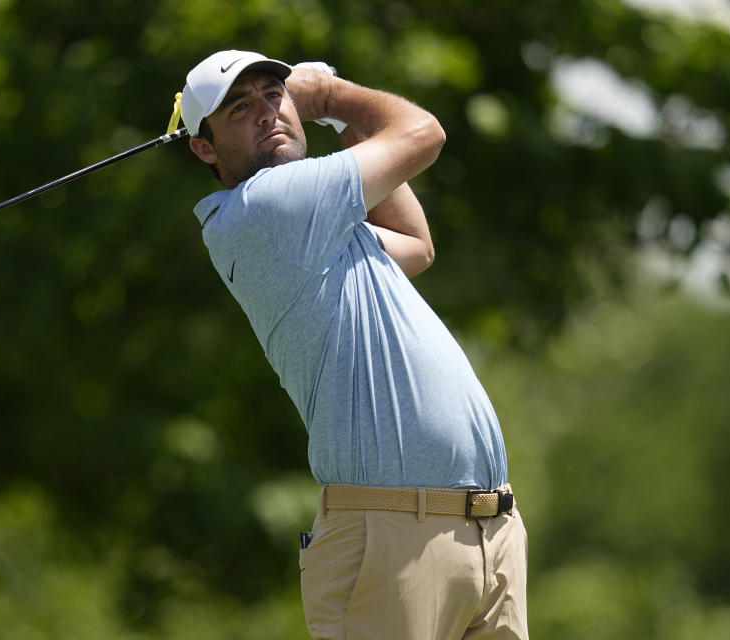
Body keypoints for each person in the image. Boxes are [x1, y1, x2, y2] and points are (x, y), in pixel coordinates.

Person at [179, 50, 528, 640]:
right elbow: (424, 133)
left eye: (274, 94)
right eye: (240, 108)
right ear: (205, 148)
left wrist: (340, 125)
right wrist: (328, 96)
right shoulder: (269, 207)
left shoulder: (315, 223)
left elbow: (415, 245)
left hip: (484, 533)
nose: (267, 113)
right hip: (390, 535)